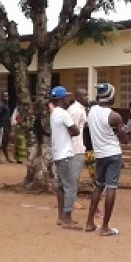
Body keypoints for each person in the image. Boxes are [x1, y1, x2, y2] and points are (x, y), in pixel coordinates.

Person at [85, 83, 128, 235]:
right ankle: (105, 227)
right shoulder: (114, 116)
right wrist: (123, 130)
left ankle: (89, 222)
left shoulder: (91, 111)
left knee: (98, 186)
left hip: (100, 154)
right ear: (111, 97)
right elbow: (125, 140)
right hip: (113, 153)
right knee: (111, 187)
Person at [48, 86, 82, 229]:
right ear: (62, 99)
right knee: (70, 187)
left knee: (62, 186)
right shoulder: (63, 113)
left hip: (58, 153)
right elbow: (76, 130)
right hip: (66, 154)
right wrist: (71, 132)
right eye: (66, 97)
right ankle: (67, 218)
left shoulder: (54, 113)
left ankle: (61, 216)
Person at [67, 88, 88, 177]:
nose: (87, 98)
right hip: (75, 149)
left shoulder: (80, 109)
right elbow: (71, 130)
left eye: (87, 95)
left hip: (78, 147)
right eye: (84, 95)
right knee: (73, 178)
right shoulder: (76, 110)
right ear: (77, 97)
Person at [0, 92, 14, 163]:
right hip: (2, 126)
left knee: (5, 143)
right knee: (0, 142)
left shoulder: (6, 106)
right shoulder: (1, 106)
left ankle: (7, 158)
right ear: (1, 98)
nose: (6, 98)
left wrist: (9, 127)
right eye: (5, 96)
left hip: (6, 126)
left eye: (7, 96)